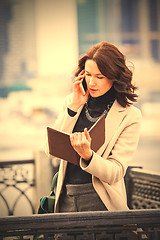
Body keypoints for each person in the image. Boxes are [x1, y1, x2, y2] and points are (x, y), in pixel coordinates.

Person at [48, 41, 142, 237]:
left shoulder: (129, 115)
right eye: (88, 75)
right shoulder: (72, 101)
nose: (92, 82)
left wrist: (88, 156)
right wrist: (74, 107)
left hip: (101, 201)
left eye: (99, 76)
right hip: (65, 198)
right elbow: (50, 148)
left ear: (114, 77)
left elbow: (116, 172)